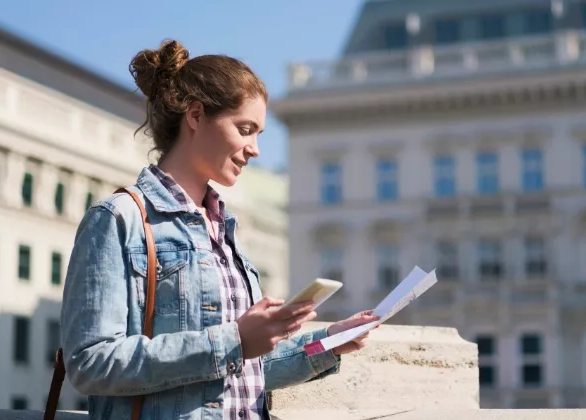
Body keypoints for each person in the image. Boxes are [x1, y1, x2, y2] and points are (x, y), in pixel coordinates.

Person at [59, 40, 377, 420]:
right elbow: (91, 362)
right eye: (245, 129)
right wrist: (236, 339)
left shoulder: (223, 231)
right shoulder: (118, 218)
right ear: (195, 116)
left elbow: (243, 369)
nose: (255, 149)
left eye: (259, 133)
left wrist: (329, 342)